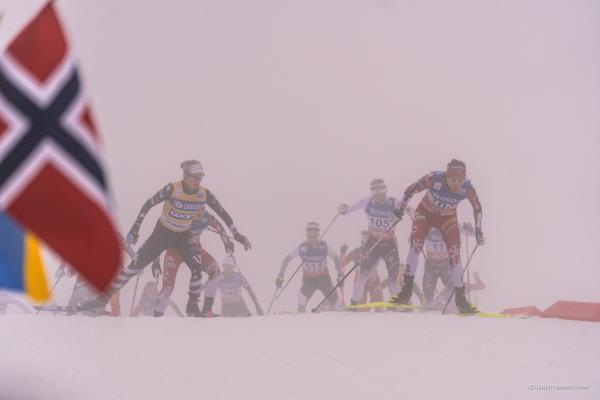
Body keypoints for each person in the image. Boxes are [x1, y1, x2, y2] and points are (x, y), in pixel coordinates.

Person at [83, 160, 251, 317]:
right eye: (194, 177)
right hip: (162, 234)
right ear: (185, 176)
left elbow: (222, 212)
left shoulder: (204, 194)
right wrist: (135, 228)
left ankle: (192, 307)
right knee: (134, 267)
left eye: (200, 177)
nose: (197, 181)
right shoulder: (172, 189)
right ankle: (102, 299)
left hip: (182, 236)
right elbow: (148, 204)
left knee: (197, 268)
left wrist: (236, 234)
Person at [389, 159, 484, 313]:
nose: (457, 184)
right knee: (416, 246)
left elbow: (477, 207)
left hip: (447, 219)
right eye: (453, 180)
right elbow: (412, 189)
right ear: (447, 176)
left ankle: (461, 300)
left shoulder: (467, 188)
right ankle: (406, 292)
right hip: (425, 214)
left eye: (460, 181)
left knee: (455, 255)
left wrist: (478, 230)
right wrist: (400, 208)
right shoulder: (434, 178)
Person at [151, 209, 233, 317]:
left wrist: (227, 242)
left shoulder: (206, 217)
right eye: (196, 208)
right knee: (168, 288)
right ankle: (157, 315)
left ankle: (205, 309)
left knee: (215, 271)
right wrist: (156, 260)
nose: (199, 212)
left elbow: (219, 227)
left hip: (195, 249)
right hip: (174, 252)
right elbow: (161, 237)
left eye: (201, 207)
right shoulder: (180, 216)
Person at [337, 179, 403, 305]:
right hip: (372, 244)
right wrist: (344, 210)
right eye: (374, 190)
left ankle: (401, 301)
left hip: (389, 245)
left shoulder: (394, 202)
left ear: (385, 190)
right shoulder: (367, 202)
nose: (378, 194)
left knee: (394, 279)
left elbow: (409, 209)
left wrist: (412, 214)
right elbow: (351, 208)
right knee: (363, 274)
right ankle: (354, 301)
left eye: (381, 189)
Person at [276, 222, 342, 313]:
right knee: (301, 301)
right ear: (306, 235)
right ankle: (301, 317)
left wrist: (340, 274)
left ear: (318, 235)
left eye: (315, 235)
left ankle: (342, 314)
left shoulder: (324, 246)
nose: (312, 238)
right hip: (309, 281)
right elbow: (287, 259)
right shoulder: (301, 248)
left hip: (324, 280)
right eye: (310, 235)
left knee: (338, 305)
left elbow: (336, 258)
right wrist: (280, 275)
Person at [339, 230, 384, 311]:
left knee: (379, 308)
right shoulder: (356, 251)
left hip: (374, 281)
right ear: (361, 239)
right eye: (363, 237)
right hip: (360, 283)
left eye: (367, 237)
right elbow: (342, 263)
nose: (365, 240)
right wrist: (342, 253)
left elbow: (388, 257)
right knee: (361, 310)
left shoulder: (376, 250)